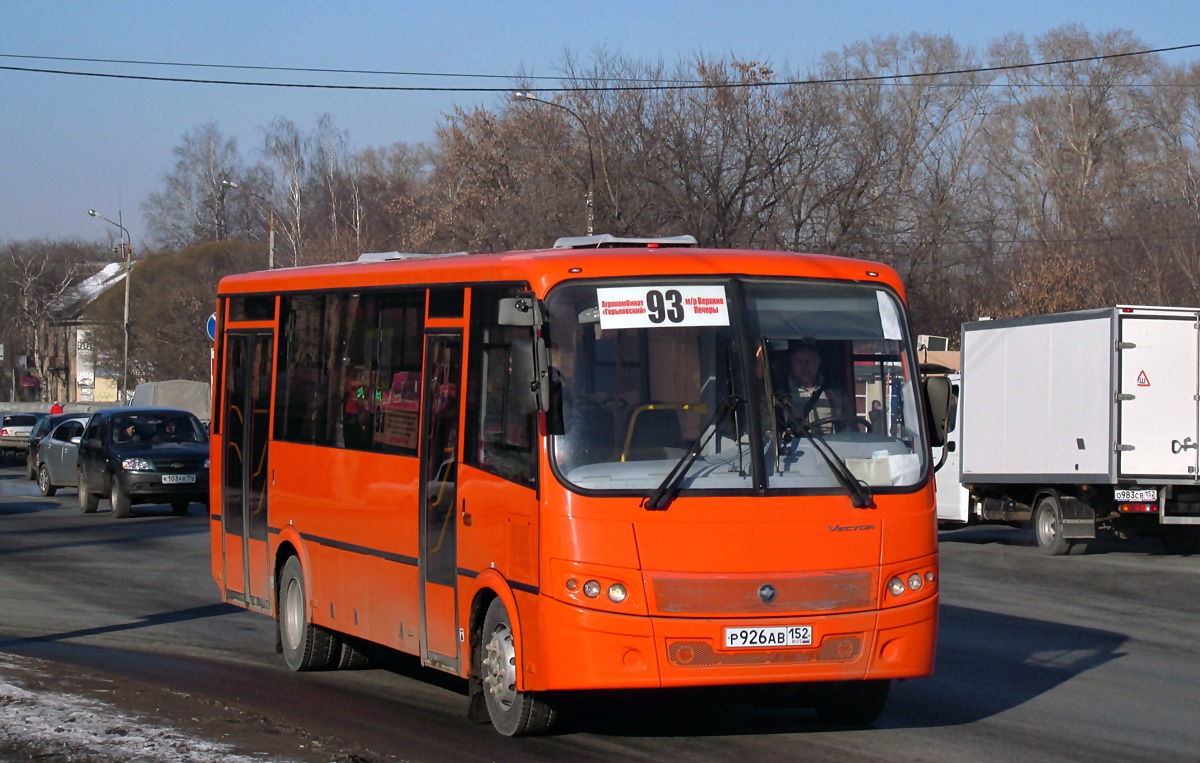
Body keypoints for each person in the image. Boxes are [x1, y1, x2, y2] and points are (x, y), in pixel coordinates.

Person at [779, 342, 848, 434]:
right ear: (792, 363)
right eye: (799, 361)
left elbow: (848, 428)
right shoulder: (780, 396)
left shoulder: (834, 394)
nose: (804, 367)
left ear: (818, 363)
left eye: (809, 361)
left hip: (830, 447)